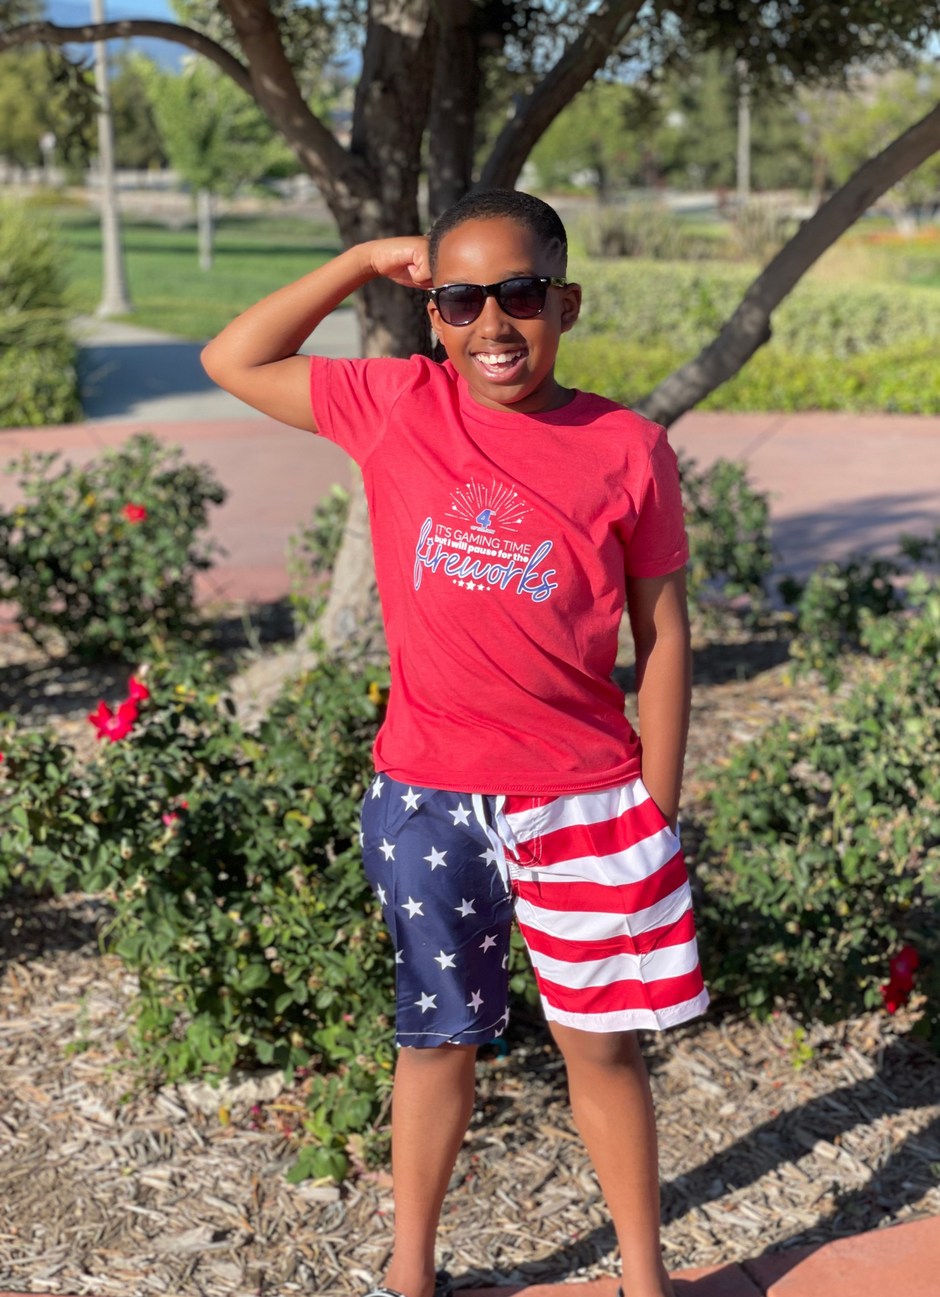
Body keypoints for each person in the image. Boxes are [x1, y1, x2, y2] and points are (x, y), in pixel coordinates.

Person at [202, 189, 700, 1297]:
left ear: (564, 302)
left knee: (602, 1049)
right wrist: (352, 264)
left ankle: (641, 1279)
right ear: (433, 316)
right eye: (462, 300)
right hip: (430, 797)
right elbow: (233, 356)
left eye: (520, 295)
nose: (493, 325)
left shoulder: (628, 448)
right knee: (435, 1041)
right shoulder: (397, 405)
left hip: (586, 801)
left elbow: (661, 635)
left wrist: (654, 806)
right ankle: (412, 1273)